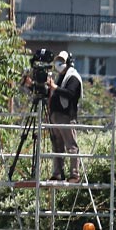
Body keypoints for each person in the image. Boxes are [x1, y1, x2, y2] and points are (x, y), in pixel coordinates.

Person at [47, 50, 83, 182]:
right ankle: (57, 173)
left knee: (71, 145)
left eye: (62, 61)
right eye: (58, 61)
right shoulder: (60, 77)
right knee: (57, 145)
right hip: (55, 116)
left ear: (68, 62)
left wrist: (55, 87)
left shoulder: (73, 77)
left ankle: (74, 174)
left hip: (66, 116)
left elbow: (71, 94)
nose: (59, 64)